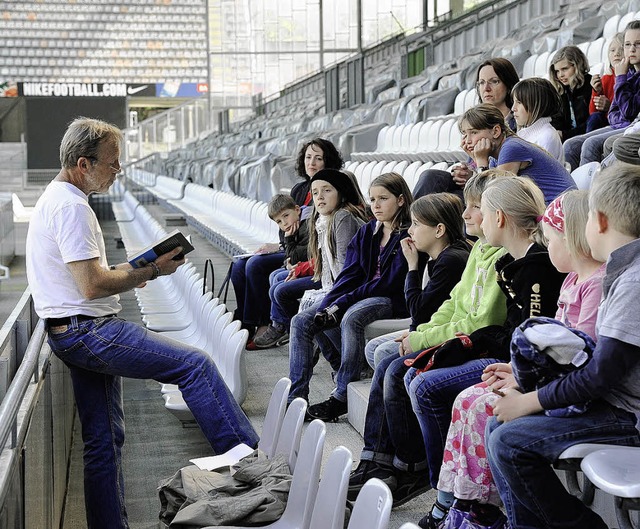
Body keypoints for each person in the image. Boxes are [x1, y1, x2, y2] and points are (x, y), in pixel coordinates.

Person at [25, 117, 259, 529]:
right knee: (196, 365)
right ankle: (256, 473)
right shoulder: (72, 208)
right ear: (84, 163)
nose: (118, 170)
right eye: (113, 163)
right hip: (90, 331)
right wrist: (150, 273)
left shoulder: (59, 199)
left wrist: (144, 264)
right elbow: (92, 285)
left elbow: (91, 274)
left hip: (70, 331)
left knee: (103, 442)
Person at [433, 190, 604, 529]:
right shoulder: (571, 279)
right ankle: (463, 502)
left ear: (572, 239)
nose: (547, 245)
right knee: (470, 398)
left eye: (552, 238)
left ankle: (500, 512)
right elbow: (556, 347)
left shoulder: (593, 285)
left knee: (493, 418)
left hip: (579, 398)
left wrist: (525, 389)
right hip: (555, 385)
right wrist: (515, 371)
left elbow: (578, 358)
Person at [485, 164, 640, 529]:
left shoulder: (633, 281)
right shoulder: (626, 270)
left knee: (509, 441)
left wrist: (528, 399)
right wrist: (525, 377)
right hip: (614, 403)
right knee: (499, 429)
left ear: (598, 221)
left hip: (628, 416)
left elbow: (599, 375)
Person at [409, 176, 565, 528]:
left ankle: (484, 508)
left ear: (498, 218)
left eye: (480, 209)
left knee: (471, 403)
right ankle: (457, 501)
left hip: (532, 372)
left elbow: (534, 332)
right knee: (460, 397)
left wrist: (513, 369)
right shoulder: (511, 259)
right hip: (517, 365)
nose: (470, 216)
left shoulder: (535, 265)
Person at [346, 171, 508, 508]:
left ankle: (415, 467)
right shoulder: (478, 250)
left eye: (474, 207)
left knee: (403, 371)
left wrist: (412, 269)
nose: (466, 214)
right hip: (458, 336)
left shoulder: (460, 258)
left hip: (483, 346)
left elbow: (473, 320)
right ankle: (377, 459)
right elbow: (451, 306)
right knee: (387, 361)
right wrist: (421, 335)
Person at [293, 173, 415, 422]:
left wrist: (344, 302)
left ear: (401, 200)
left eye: (383, 198)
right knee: (303, 321)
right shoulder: (370, 230)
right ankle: (295, 399)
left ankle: (342, 394)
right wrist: (328, 304)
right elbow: (350, 274)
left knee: (351, 316)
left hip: (391, 300)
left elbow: (388, 284)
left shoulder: (407, 234)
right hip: (361, 295)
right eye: (372, 199)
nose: (376, 205)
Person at [230, 138, 343, 341]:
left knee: (255, 265)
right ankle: (247, 323)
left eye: (318, 158)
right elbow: (284, 228)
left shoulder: (333, 188)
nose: (312, 162)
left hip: (307, 251)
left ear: (328, 161)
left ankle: (266, 324)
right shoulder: (299, 190)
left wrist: (289, 244)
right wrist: (283, 242)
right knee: (238, 266)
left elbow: (316, 237)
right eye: (308, 157)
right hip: (290, 246)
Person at [365, 193, 472, 369]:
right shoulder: (441, 254)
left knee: (382, 352)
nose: (410, 231)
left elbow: (418, 311)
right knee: (372, 348)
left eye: (416, 224)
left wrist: (412, 266)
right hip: (431, 326)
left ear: (439, 230)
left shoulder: (451, 260)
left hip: (444, 332)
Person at [412, 58, 520, 199]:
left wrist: (476, 170)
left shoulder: (517, 121)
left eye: (494, 81)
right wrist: (467, 171)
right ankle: (413, 219)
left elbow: (502, 178)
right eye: (481, 83)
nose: (486, 88)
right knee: (430, 177)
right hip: (478, 181)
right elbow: (478, 164)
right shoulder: (476, 121)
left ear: (508, 84)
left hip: (494, 191)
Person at [562, 23, 640, 170]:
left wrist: (620, 77)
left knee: (590, 144)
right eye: (628, 44)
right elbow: (613, 113)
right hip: (619, 124)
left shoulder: (623, 75)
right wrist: (621, 117)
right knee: (570, 145)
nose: (632, 49)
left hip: (632, 128)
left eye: (638, 44)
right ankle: (573, 189)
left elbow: (629, 112)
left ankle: (591, 191)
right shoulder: (628, 74)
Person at [462, 103, 575, 203]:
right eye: (465, 134)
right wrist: (478, 161)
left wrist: (481, 162)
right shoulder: (494, 159)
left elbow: (495, 198)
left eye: (474, 132)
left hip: (562, 210)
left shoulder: (511, 147)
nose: (468, 141)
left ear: (496, 131)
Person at [250, 194, 315, 348]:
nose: (284, 222)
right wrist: (289, 245)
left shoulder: (306, 226)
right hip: (302, 268)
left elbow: (298, 255)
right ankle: (281, 324)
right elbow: (290, 257)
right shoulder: (292, 228)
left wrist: (290, 240)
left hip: (312, 271)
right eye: (279, 221)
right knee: (274, 276)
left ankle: (285, 326)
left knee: (278, 286)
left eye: (286, 216)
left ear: (297, 210)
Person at [510, 77, 564, 162]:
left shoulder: (547, 136)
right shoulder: (523, 135)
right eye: (514, 102)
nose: (513, 108)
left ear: (536, 105)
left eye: (519, 102)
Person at [548, 46, 592, 141]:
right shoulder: (560, 91)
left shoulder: (591, 85)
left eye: (564, 69)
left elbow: (591, 123)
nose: (560, 75)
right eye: (557, 71)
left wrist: (565, 135)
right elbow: (556, 120)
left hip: (587, 138)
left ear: (577, 65)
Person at [586, 32, 624, 132]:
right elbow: (593, 113)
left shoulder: (632, 77)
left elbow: (628, 112)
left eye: (622, 49)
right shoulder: (606, 78)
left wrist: (609, 107)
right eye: (612, 50)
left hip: (622, 124)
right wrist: (596, 91)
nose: (616, 53)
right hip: (608, 122)